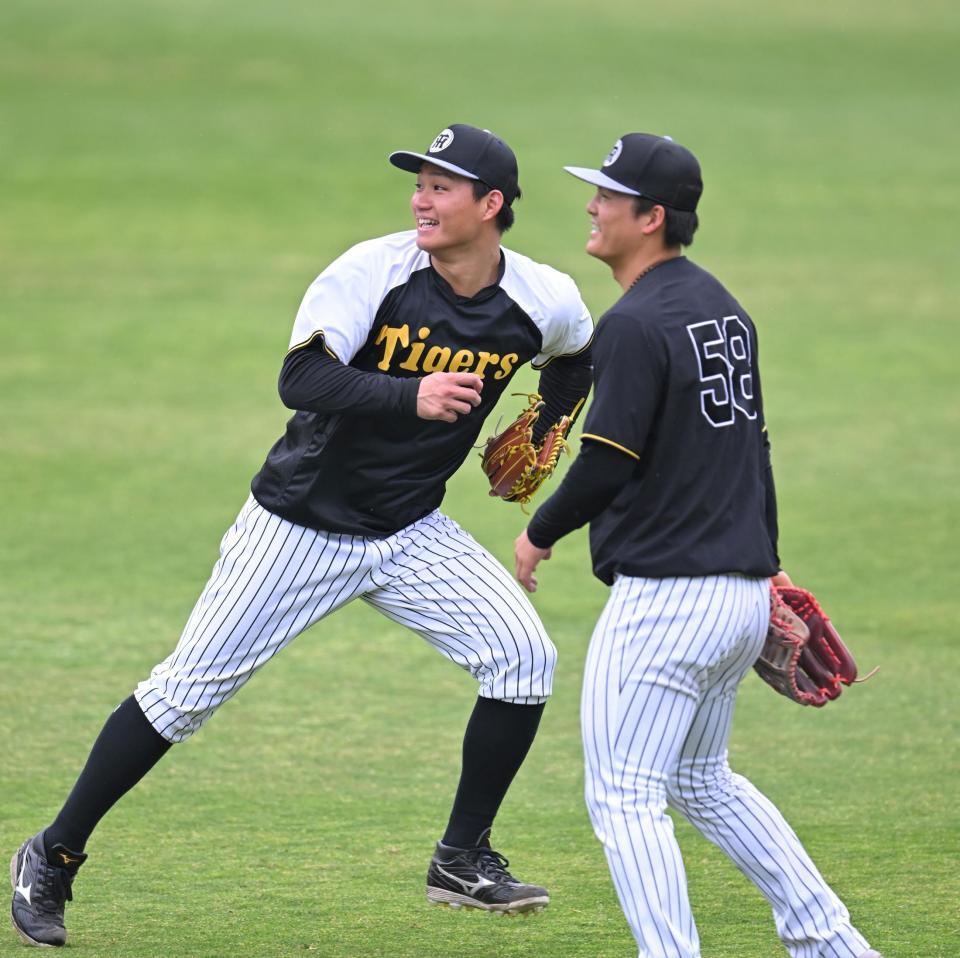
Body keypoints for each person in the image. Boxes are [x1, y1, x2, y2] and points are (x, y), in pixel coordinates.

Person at [10, 123, 595, 948]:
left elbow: (577, 355)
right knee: (183, 696)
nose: (420, 200)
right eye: (418, 184)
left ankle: (461, 859)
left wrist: (546, 427)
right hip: (299, 526)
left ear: (491, 203)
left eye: (440, 186)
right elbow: (301, 376)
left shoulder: (543, 296)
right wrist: (410, 395)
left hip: (411, 530)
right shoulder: (372, 271)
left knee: (524, 659)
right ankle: (54, 853)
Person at [513, 133, 881, 958]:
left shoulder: (634, 324)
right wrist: (766, 562)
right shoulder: (724, 309)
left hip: (666, 607)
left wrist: (538, 533)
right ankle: (833, 944)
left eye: (608, 196)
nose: (592, 206)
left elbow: (607, 461)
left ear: (651, 217)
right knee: (700, 780)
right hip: (737, 596)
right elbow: (755, 447)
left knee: (624, 795)